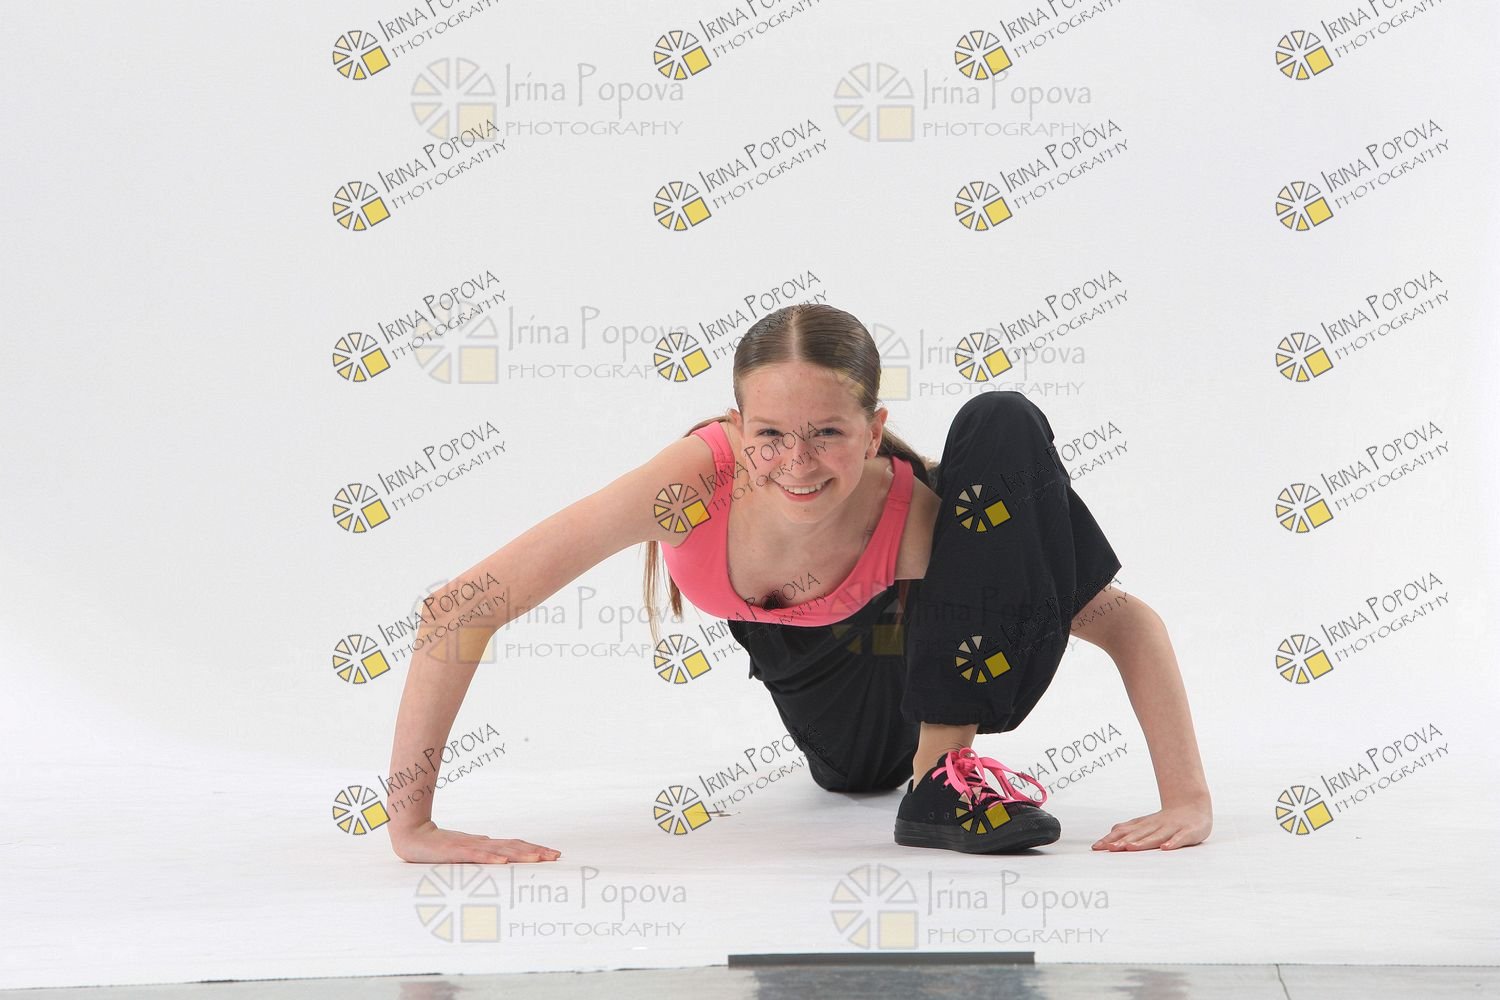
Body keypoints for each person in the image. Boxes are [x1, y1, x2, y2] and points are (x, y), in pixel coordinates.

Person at [386, 304, 1212, 864]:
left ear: (874, 430)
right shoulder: (689, 487)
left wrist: (1187, 801)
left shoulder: (918, 513)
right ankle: (922, 778)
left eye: (828, 433)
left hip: (927, 658)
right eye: (772, 435)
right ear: (736, 426)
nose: (798, 462)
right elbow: (460, 609)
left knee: (1003, 424)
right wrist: (413, 824)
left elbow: (1129, 625)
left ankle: (943, 776)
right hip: (833, 719)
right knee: (853, 772)